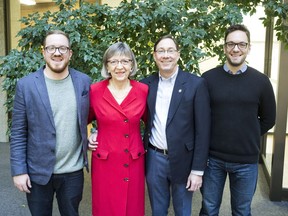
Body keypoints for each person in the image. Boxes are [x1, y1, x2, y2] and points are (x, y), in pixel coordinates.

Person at [10, 30, 91, 216]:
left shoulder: (84, 82)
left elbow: (92, 115)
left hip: (73, 172)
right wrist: (19, 171)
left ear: (70, 53)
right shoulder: (27, 85)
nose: (57, 52)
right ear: (43, 52)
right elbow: (18, 133)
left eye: (62, 48)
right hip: (37, 172)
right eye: (52, 48)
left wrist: (94, 131)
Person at [199, 24, 276, 216]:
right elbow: (200, 116)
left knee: (242, 211)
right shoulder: (208, 79)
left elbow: (269, 118)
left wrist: (246, 133)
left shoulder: (261, 81)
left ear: (249, 48)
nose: (236, 49)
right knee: (208, 209)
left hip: (246, 161)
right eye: (231, 44)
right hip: (212, 160)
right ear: (224, 47)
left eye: (241, 44)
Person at [141, 34, 211, 216]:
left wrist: (198, 170)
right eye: (161, 51)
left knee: (183, 211)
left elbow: (203, 132)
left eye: (170, 50)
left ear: (178, 54)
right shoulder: (145, 85)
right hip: (155, 159)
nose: (166, 55)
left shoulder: (196, 84)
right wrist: (97, 130)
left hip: (184, 160)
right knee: (158, 210)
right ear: (155, 55)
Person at [88, 42, 148, 216]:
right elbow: (82, 120)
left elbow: (153, 123)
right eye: (114, 62)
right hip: (105, 162)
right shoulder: (95, 91)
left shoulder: (143, 90)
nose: (119, 66)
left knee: (132, 209)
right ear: (107, 66)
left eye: (125, 61)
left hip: (133, 160)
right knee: (105, 208)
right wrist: (91, 135)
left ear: (132, 65)